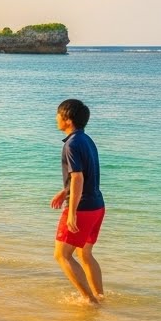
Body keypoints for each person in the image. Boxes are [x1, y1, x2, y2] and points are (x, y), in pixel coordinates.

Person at [50, 99, 106, 305]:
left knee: (62, 255)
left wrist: (72, 211)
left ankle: (89, 300)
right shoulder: (86, 140)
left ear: (67, 119)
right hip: (97, 206)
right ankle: (100, 296)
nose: (56, 118)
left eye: (58, 114)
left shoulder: (71, 144)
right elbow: (84, 174)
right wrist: (64, 192)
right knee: (85, 253)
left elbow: (79, 178)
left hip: (82, 208)